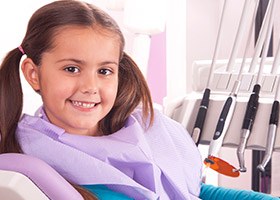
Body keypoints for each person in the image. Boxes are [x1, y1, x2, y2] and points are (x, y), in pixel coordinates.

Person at [0, 1, 202, 199]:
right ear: (33, 74)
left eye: (104, 71)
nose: (90, 87)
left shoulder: (147, 128)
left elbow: (193, 192)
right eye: (72, 69)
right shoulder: (32, 160)